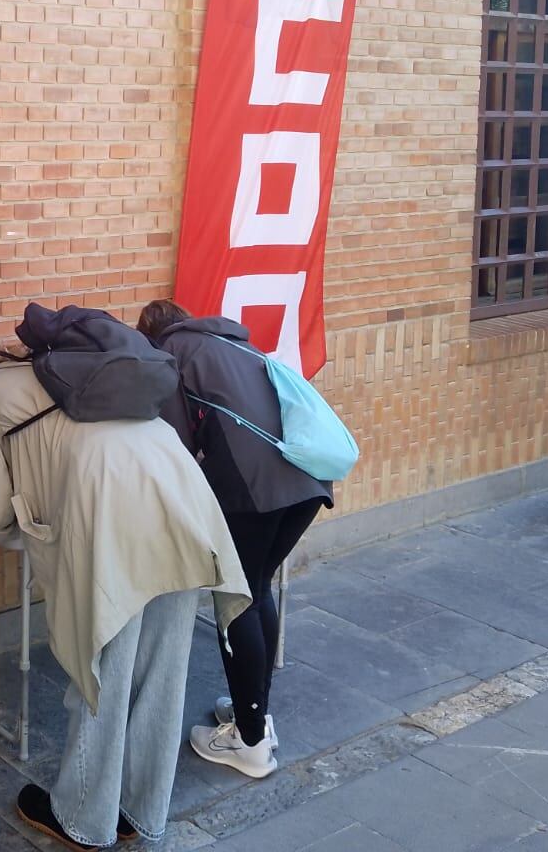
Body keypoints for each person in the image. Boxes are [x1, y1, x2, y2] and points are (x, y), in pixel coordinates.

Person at [0, 340, 250, 850]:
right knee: (163, 669)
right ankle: (141, 809)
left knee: (103, 664)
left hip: (113, 503)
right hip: (183, 490)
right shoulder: (62, 372)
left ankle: (84, 819)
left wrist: (26, 519)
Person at [138, 300, 334, 781]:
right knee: (257, 588)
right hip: (308, 480)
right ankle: (256, 714)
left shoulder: (172, 353)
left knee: (237, 598)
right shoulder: (234, 345)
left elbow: (175, 446)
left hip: (256, 490)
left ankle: (249, 743)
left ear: (150, 336)